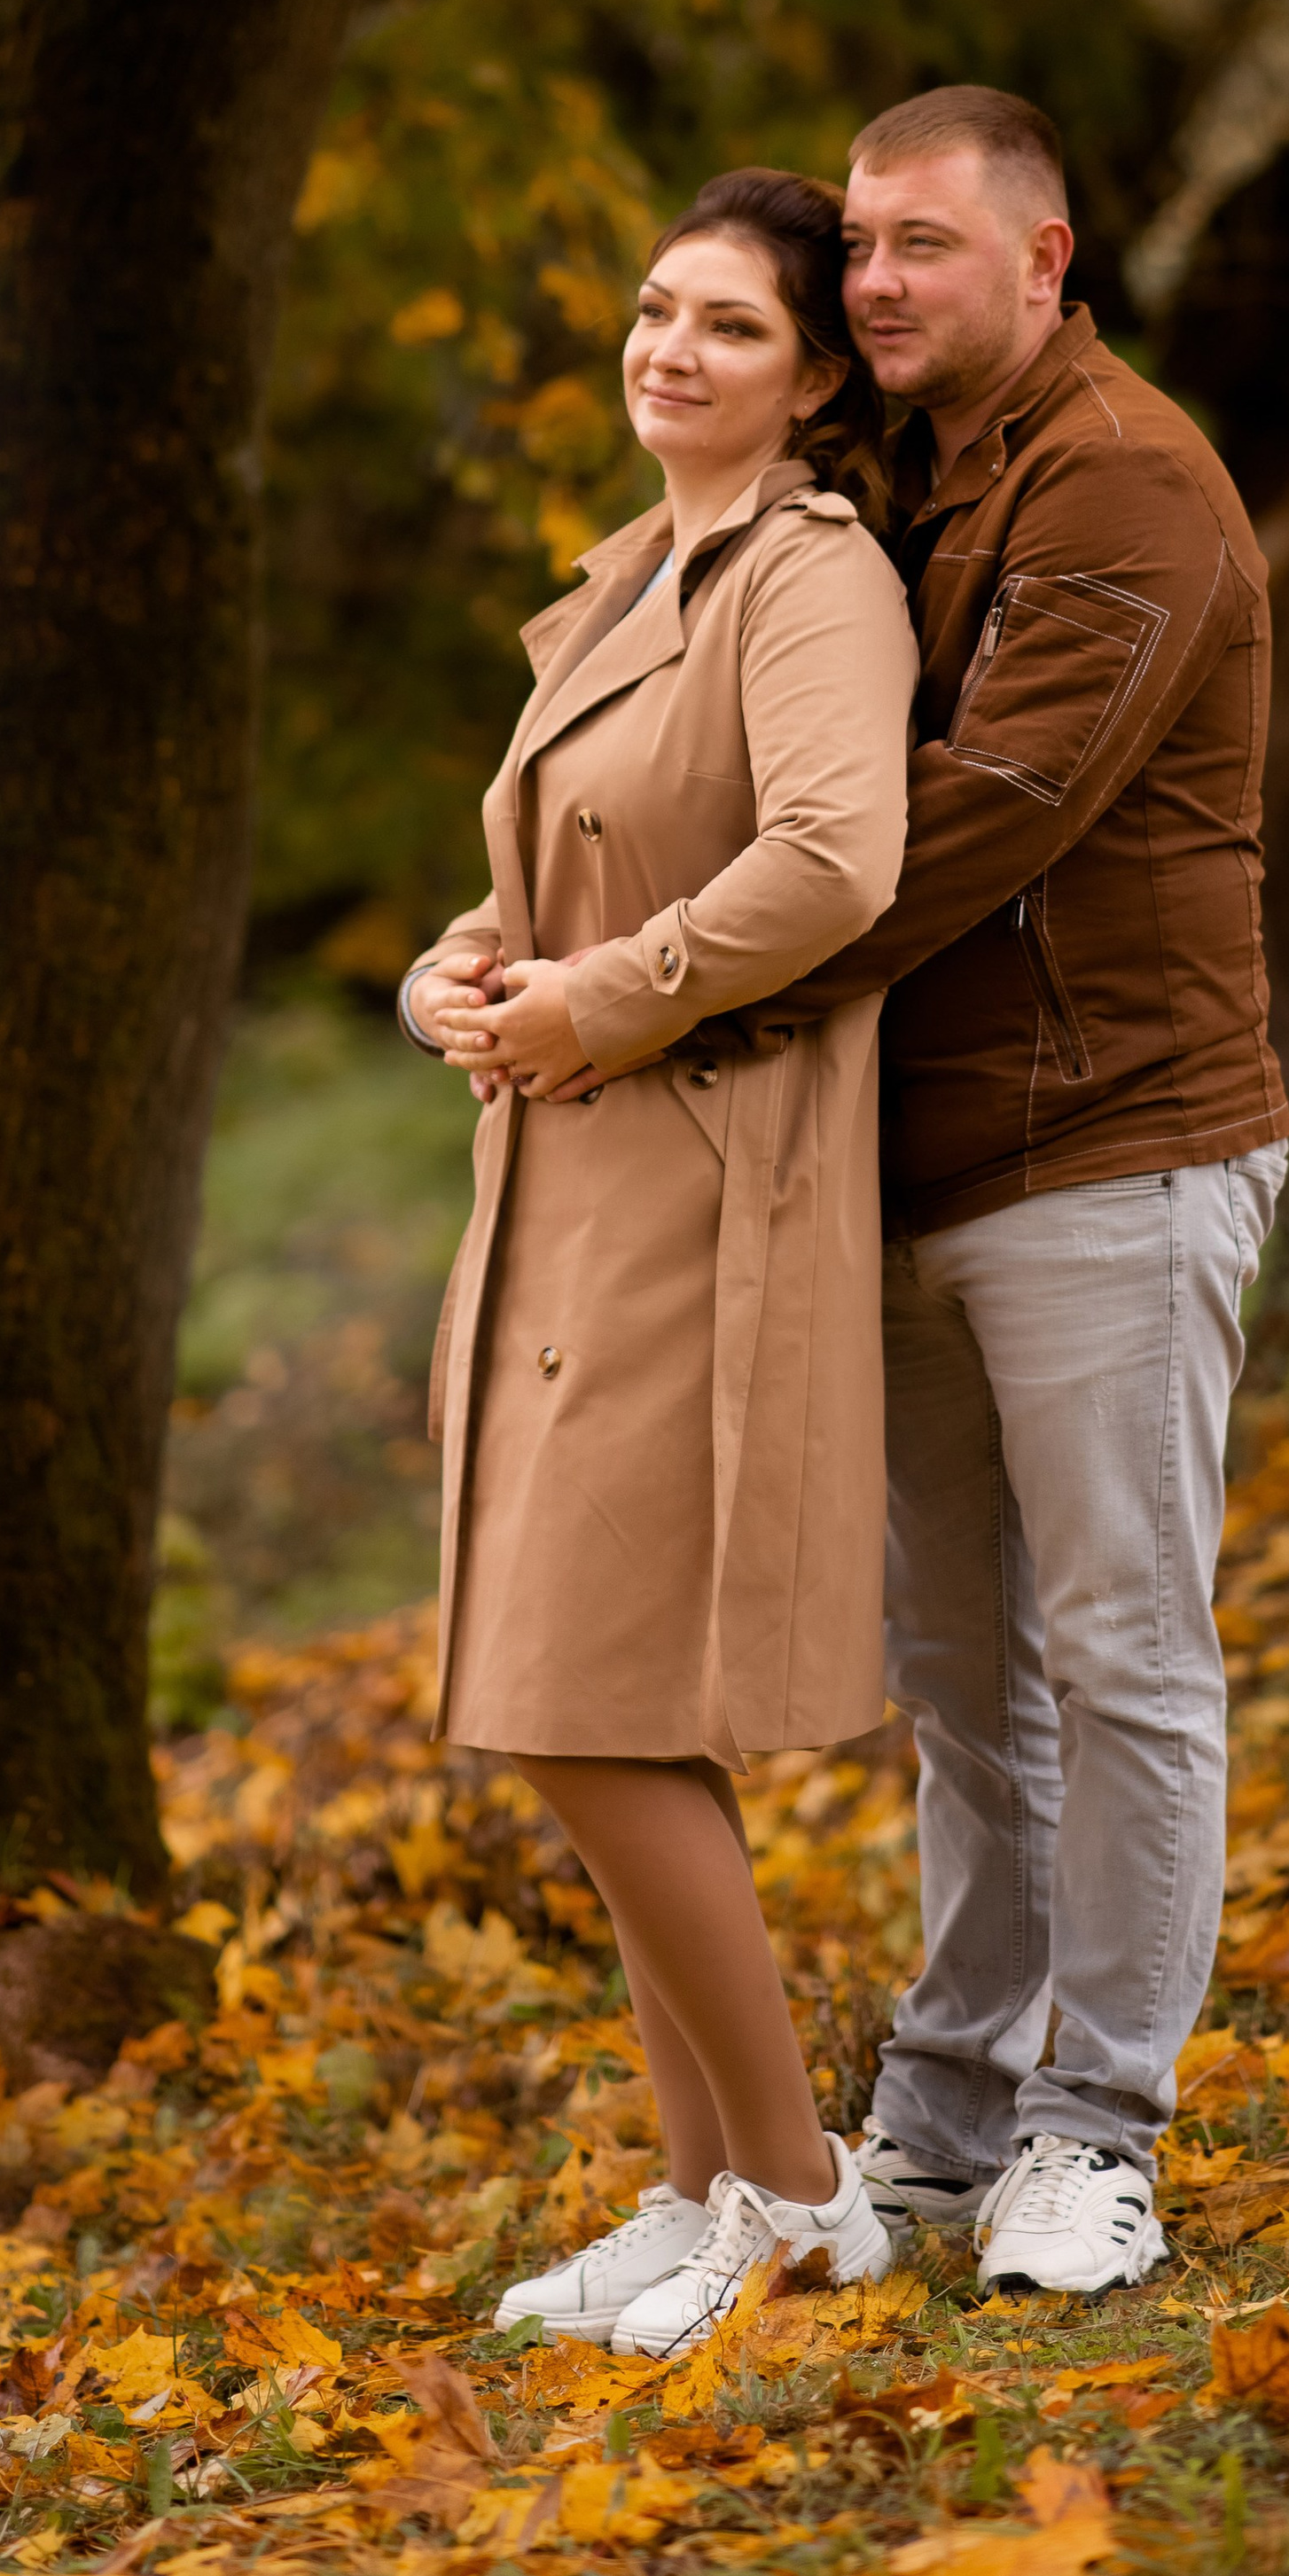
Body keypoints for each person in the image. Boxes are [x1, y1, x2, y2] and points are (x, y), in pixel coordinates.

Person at [755, 85, 1289, 2299]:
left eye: (925, 246)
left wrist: (679, 983)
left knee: (1121, 1655)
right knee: (961, 1680)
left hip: (1114, 1147)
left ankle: (1100, 2134)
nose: (875, 279)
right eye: (859, 243)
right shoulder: (910, 478)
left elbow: (978, 814)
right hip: (917, 1166)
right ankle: (949, 2120)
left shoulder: (1126, 479)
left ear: (1047, 258)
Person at [399, 168, 918, 2354]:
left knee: (588, 1709)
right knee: (576, 1694)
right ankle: (697, 2174)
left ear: (810, 382)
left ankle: (801, 2194)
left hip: (699, 1190)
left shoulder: (810, 581)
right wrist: (463, 970)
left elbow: (829, 858)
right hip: (562, 1194)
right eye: (650, 309)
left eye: (723, 326)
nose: (665, 350)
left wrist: (601, 998)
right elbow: (565, 869)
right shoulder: (631, 581)